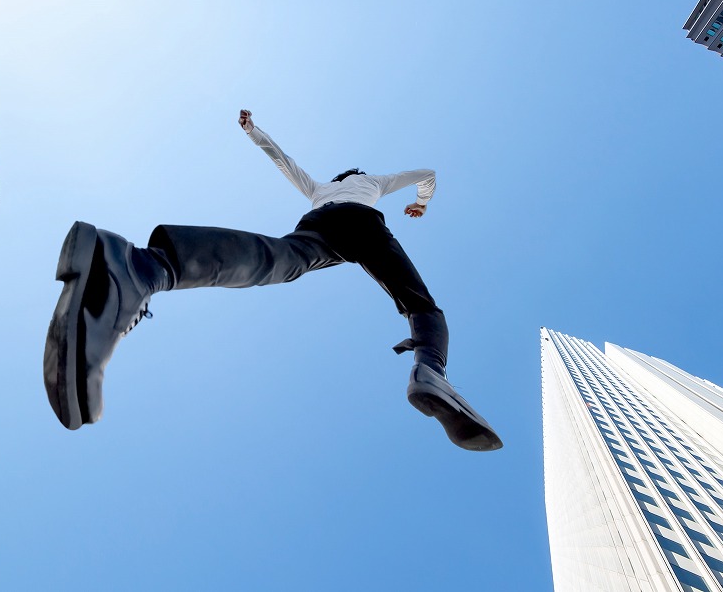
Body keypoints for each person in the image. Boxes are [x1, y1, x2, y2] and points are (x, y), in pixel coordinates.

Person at [43, 110, 502, 451]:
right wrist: (423, 203)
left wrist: (253, 131)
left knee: (277, 260)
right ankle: (431, 371)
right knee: (422, 306)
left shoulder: (322, 187)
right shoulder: (375, 182)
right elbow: (427, 174)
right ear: (360, 176)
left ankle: (141, 268)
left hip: (319, 224)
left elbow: (283, 162)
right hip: (362, 223)